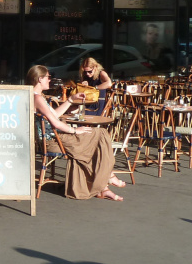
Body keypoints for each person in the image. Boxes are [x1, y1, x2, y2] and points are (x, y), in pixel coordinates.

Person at [28, 65, 124, 201]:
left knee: (94, 141)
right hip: (54, 140)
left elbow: (54, 114)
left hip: (55, 137)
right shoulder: (37, 98)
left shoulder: (36, 96)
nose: (50, 80)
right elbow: (55, 123)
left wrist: (71, 100)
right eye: (48, 77)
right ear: (40, 79)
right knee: (100, 134)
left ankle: (104, 187)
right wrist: (74, 130)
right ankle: (107, 178)